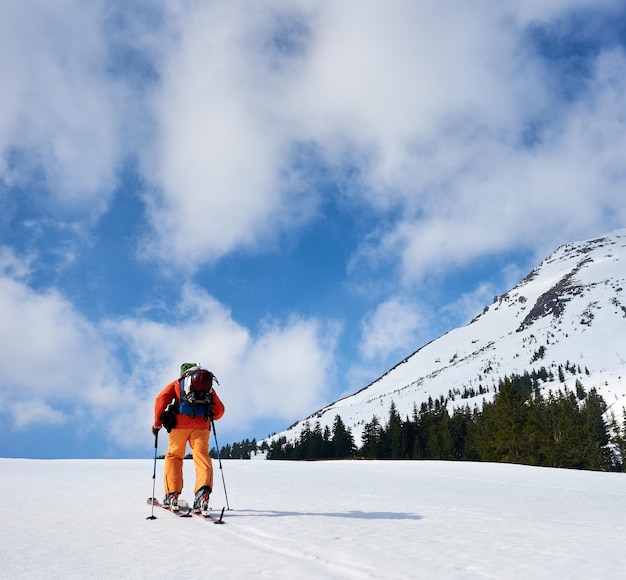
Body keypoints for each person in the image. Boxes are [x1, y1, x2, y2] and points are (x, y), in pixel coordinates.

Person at [151, 362, 225, 512]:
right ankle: (202, 493)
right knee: (202, 456)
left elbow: (161, 399)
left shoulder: (177, 385)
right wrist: (208, 416)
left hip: (179, 426)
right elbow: (220, 410)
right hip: (202, 428)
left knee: (174, 456)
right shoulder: (208, 388)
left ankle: (172, 495)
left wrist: (157, 423)